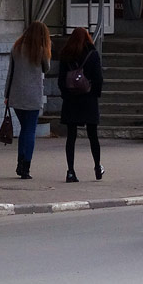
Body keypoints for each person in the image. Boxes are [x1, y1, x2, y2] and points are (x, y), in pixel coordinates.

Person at [5, 21, 51, 180]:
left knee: (24, 129)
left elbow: (10, 73)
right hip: (32, 96)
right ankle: (26, 166)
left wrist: (6, 95)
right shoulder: (40, 51)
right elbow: (47, 68)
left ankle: (20, 162)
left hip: (16, 95)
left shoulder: (16, 48)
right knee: (30, 130)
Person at [58, 27, 103, 183]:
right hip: (89, 100)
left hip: (71, 101)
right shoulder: (93, 55)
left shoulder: (66, 55)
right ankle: (97, 167)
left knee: (71, 137)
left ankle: (70, 171)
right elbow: (98, 79)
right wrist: (95, 95)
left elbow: (61, 80)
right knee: (93, 136)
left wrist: (66, 95)